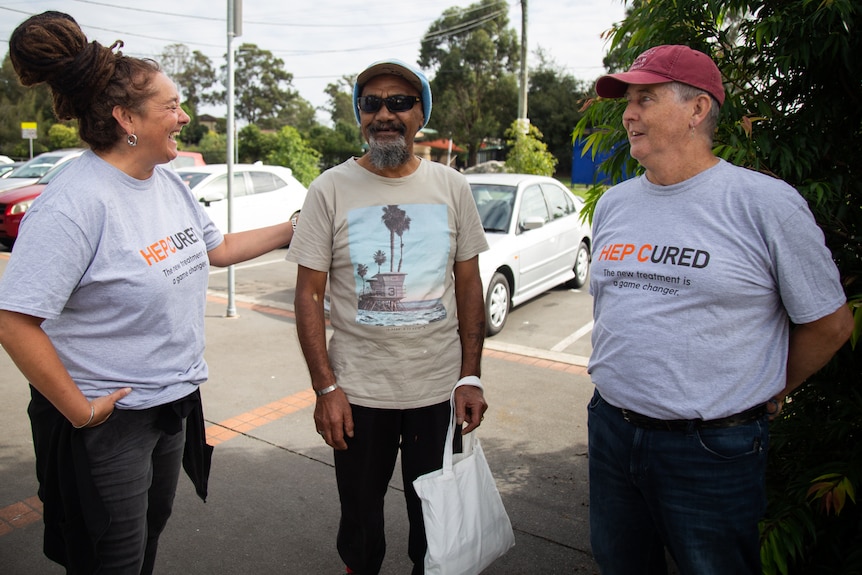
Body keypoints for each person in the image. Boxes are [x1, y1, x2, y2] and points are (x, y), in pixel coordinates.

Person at [0, 11, 295, 574]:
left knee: (146, 541)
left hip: (170, 406)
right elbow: (14, 320)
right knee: (110, 557)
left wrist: (293, 227)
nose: (183, 117)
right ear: (125, 117)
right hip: (109, 423)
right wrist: (82, 412)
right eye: (171, 106)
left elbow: (217, 248)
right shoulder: (75, 203)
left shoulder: (164, 181)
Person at [585, 44, 854, 575]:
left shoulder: (764, 203)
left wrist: (773, 387)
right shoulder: (615, 204)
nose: (628, 113)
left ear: (697, 109)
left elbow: (831, 323)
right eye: (628, 100)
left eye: (645, 98)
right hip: (611, 431)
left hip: (711, 449)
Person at [286, 59, 489, 574]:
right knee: (359, 521)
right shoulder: (329, 189)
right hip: (358, 396)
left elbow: (468, 285)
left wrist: (470, 375)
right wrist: (325, 389)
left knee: (436, 524)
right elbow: (308, 295)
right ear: (359, 115)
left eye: (399, 102)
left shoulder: (452, 188)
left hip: (436, 391)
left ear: (420, 114)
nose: (384, 113)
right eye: (371, 103)